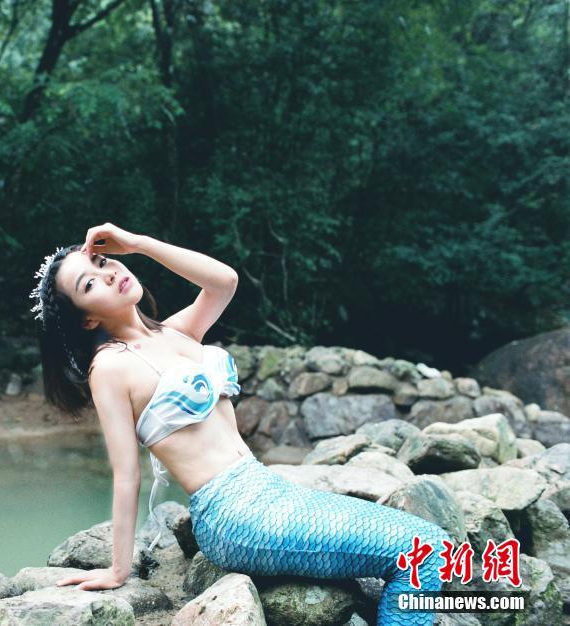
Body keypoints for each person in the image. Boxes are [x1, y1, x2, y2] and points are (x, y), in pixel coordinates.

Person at [30, 222, 450, 625]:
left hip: (267, 489)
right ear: (87, 320)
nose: (108, 274)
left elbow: (224, 282)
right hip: (232, 516)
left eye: (102, 263)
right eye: (89, 284)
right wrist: (119, 569)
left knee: (428, 545)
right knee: (424, 552)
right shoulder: (109, 367)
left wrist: (139, 243)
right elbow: (126, 474)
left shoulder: (174, 333)